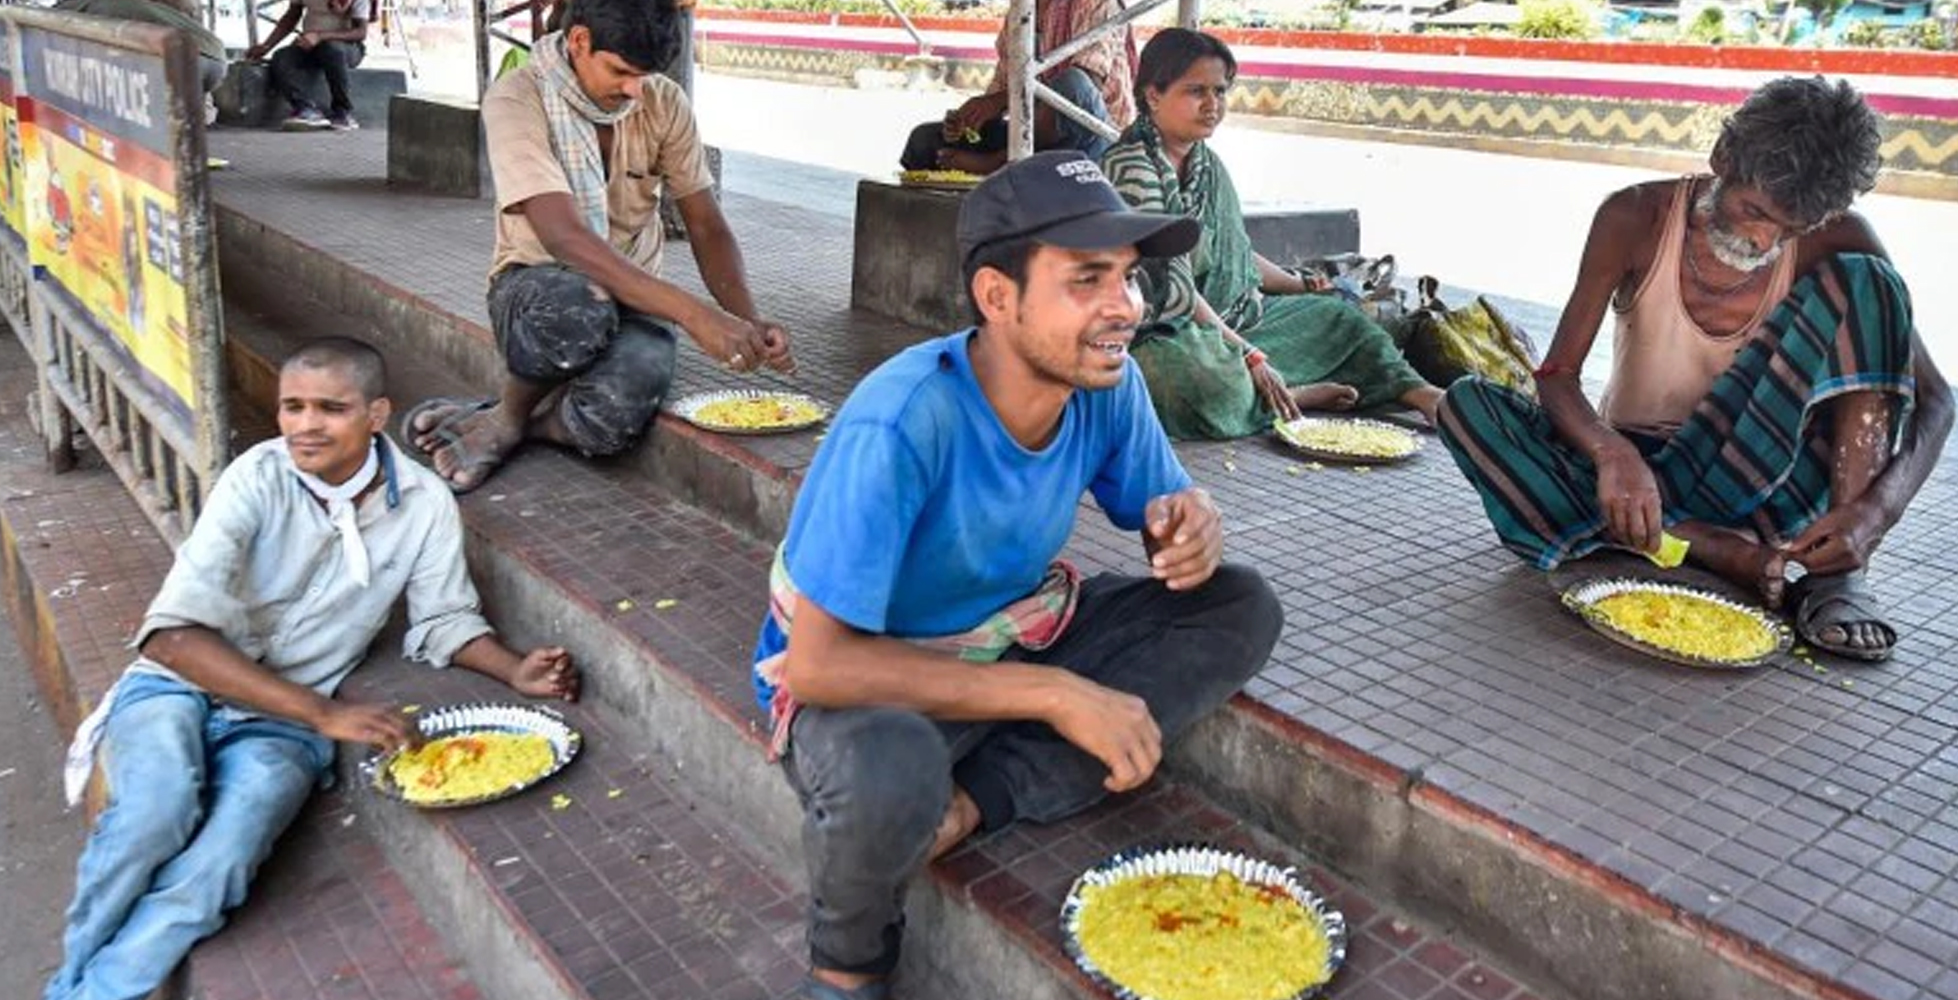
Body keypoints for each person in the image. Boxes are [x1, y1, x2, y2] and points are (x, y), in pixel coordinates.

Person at [750, 151, 1284, 1000]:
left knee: (1240, 606)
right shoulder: (902, 418)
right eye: (1086, 279)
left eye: (1129, 278)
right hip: (869, 671)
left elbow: (1160, 517)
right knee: (887, 768)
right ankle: (845, 971)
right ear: (998, 297)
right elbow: (821, 665)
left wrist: (1189, 526)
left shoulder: (1106, 381)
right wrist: (1057, 696)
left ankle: (977, 800)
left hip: (1010, 631)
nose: (1125, 309)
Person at [43, 338, 580, 1000]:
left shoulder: (422, 502)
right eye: (292, 407)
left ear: (377, 414)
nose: (304, 425)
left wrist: (515, 670)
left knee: (222, 863)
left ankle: (99, 991)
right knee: (156, 811)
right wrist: (327, 715)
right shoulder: (256, 478)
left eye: (331, 408)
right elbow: (172, 640)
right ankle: (70, 986)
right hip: (180, 689)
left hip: (282, 727)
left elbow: (443, 620)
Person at [1436, 76, 1952, 662]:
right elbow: (1556, 376)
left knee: (1871, 282)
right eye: (1753, 210)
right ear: (1723, 157)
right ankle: (1713, 549)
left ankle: (1834, 578)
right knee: (1467, 405)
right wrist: (1612, 454)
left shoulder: (1840, 240)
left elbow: (1937, 400)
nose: (1763, 238)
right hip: (1635, 485)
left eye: (1791, 228)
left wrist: (1874, 513)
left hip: (1757, 479)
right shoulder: (1634, 217)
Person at [404, 0, 792, 495]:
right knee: (581, 307)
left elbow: (706, 224)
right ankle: (507, 416)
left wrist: (747, 320)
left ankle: (531, 425)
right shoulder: (517, 97)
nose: (634, 89)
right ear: (580, 41)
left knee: (619, 413)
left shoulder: (663, 101)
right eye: (621, 71)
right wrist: (694, 314)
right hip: (539, 289)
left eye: (645, 76)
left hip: (638, 301)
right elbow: (565, 238)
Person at [1100, 29, 1443, 440]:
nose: (1213, 105)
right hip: (1168, 333)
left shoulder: (1209, 166)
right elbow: (1176, 290)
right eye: (1196, 91)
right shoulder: (1130, 169)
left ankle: (1421, 395)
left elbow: (1237, 254)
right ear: (1153, 95)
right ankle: (1291, 397)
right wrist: (1251, 356)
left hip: (1237, 321)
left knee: (1342, 319)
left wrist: (1301, 287)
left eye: (1220, 91)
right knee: (1197, 383)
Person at [898, 0, 1135, 176]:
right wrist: (969, 120)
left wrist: (1000, 101)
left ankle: (1000, 164)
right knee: (925, 140)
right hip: (1032, 136)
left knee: (1073, 84)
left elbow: (1085, 87)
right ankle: (1000, 170)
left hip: (1096, 140)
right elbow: (998, 94)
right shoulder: (1020, 12)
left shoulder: (1096, 3)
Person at [54, 0, 228, 97]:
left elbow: (49, 20)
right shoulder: (143, 8)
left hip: (183, 56)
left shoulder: (85, 7)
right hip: (213, 55)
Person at [244, 0, 371, 131]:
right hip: (311, 45)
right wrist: (267, 46)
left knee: (332, 49)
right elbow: (291, 16)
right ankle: (306, 109)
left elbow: (360, 32)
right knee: (282, 57)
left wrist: (320, 36)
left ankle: (343, 111)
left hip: (347, 48)